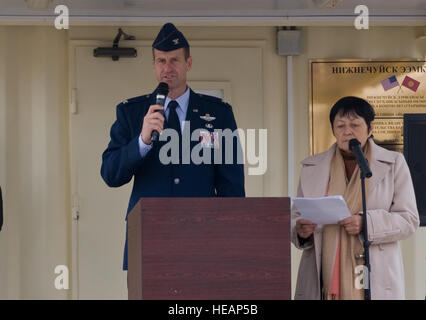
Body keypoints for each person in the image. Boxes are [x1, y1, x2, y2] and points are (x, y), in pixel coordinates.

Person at [101, 23, 245, 270]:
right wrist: (142, 142)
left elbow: (231, 183)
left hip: (203, 237)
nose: (167, 68)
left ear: (188, 63)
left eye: (174, 60)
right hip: (148, 234)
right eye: (161, 61)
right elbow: (111, 174)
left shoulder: (218, 113)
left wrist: (228, 239)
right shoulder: (132, 112)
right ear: (154, 66)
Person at [291, 96, 419, 300]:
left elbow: (409, 219)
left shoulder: (394, 163)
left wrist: (366, 223)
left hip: (374, 273)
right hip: (324, 273)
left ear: (370, 128)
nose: (347, 131)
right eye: (340, 125)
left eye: (355, 124)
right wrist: (300, 230)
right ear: (333, 130)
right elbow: (296, 216)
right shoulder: (311, 167)